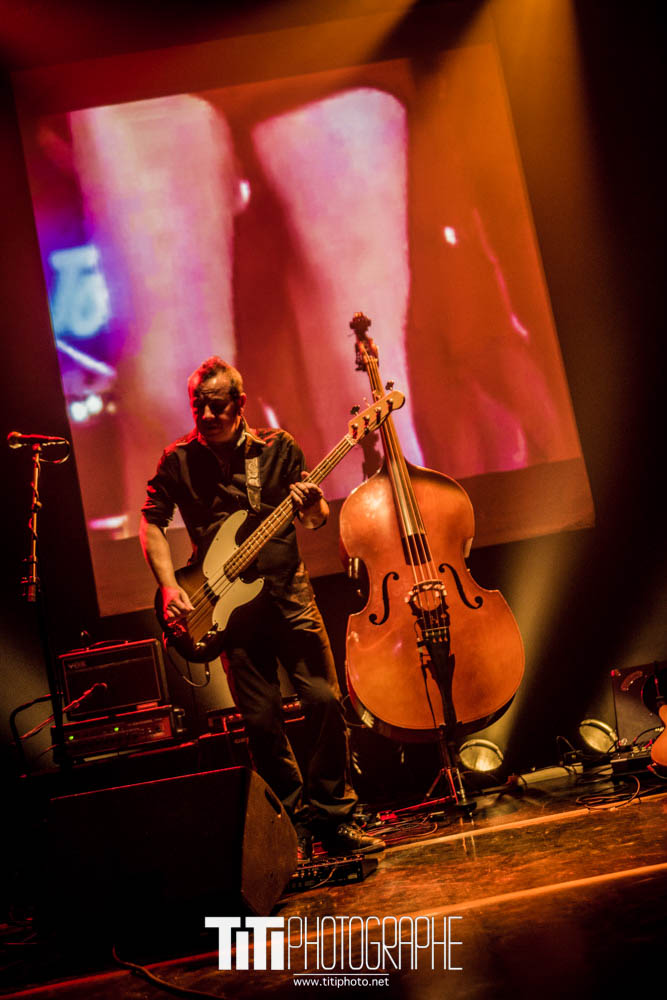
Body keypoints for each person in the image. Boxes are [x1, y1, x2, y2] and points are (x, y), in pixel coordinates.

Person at [139, 356, 385, 859]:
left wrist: (313, 503)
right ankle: (290, 827)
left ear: (239, 404)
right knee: (262, 721)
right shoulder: (178, 460)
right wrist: (168, 587)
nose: (205, 416)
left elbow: (315, 520)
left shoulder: (279, 448)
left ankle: (334, 818)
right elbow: (152, 524)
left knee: (323, 700)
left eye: (215, 406)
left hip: (288, 596)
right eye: (197, 406)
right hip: (228, 613)